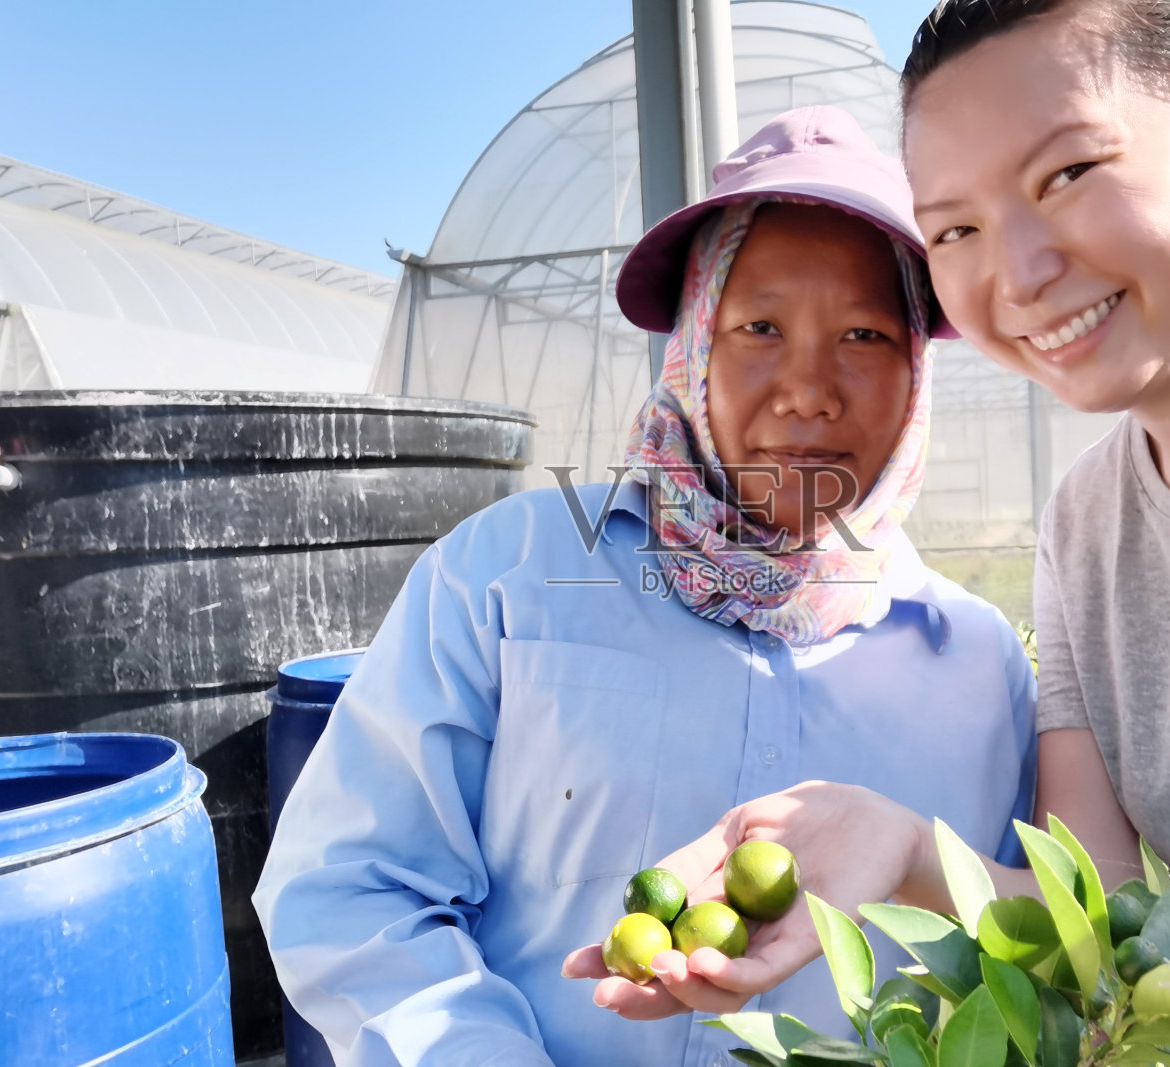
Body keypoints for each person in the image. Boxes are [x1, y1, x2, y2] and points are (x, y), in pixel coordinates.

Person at [590, 3, 1170, 1064]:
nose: (1017, 272)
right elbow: (1104, 915)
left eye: (1068, 173)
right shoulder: (1087, 523)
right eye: (956, 229)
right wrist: (898, 845)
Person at [252, 105, 1039, 1067]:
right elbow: (351, 883)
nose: (808, 388)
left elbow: (1011, 963)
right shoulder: (507, 577)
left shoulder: (977, 661)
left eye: (867, 335)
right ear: (693, 348)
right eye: (758, 326)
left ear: (918, 370)